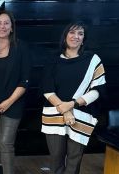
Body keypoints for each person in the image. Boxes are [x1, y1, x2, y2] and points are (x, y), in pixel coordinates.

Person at [41, 22, 106, 174]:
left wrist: (72, 104)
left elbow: (98, 90)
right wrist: (65, 111)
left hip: (81, 116)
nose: (76, 36)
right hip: (54, 115)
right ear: (65, 36)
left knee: (74, 160)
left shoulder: (93, 60)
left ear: (84, 39)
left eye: (80, 33)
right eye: (72, 32)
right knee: (56, 159)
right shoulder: (53, 59)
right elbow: (47, 89)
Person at [0, 10, 31, 174]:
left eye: (6, 23)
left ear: (11, 28)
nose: (2, 26)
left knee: (5, 143)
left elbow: (25, 80)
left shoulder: (21, 47)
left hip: (13, 104)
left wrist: (8, 102)